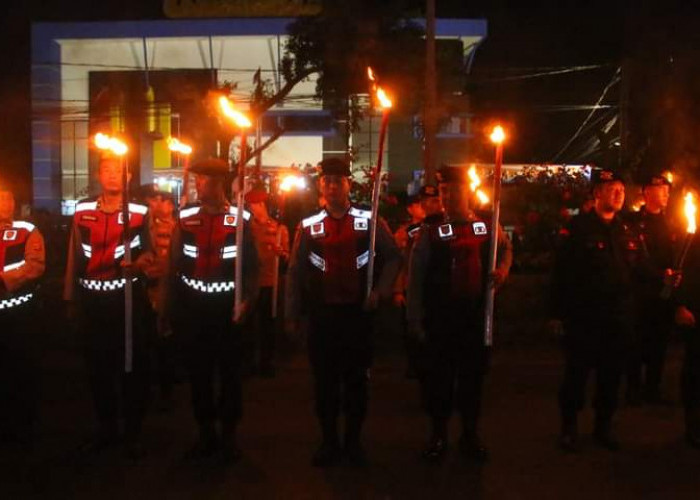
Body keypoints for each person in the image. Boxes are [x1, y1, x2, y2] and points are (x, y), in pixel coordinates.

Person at [285, 157, 401, 467]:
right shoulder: (309, 226)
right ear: (320, 186)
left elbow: (392, 257)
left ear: (348, 185)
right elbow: (295, 272)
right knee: (324, 384)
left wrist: (380, 290)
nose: (332, 187)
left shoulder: (369, 220)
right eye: (326, 182)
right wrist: (291, 313)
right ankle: (329, 441)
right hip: (322, 318)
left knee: (355, 383)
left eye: (338, 181)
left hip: (357, 316)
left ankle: (353, 441)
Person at [550, 169, 673, 452]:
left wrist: (664, 276)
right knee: (576, 375)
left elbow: (641, 267)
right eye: (611, 189)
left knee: (611, 376)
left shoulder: (627, 230)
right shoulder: (578, 229)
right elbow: (561, 275)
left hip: (617, 319)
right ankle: (569, 428)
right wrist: (556, 314)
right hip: (585, 317)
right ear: (597, 193)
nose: (618, 194)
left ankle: (602, 428)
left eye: (621, 190)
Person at [406, 165, 512, 464]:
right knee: (439, 381)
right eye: (444, 191)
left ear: (468, 192)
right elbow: (415, 278)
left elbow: (505, 250)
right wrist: (414, 318)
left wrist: (502, 271)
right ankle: (438, 435)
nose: (449, 196)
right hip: (441, 318)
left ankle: (469, 434)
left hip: (475, 318)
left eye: (455, 190)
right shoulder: (430, 230)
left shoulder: (487, 225)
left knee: (472, 380)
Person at [159, 158, 259, 463]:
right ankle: (206, 434)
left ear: (220, 184)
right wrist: (166, 309)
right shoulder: (186, 217)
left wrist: (247, 302)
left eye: (204, 180)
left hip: (227, 311)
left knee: (230, 375)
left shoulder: (241, 219)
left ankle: (229, 435)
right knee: (199, 375)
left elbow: (252, 268)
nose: (198, 185)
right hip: (194, 310)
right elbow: (173, 266)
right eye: (197, 180)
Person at [63, 154, 154, 459]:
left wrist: (140, 264)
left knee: (130, 367)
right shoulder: (83, 210)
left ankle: (133, 433)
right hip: (93, 301)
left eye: (118, 171)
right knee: (97, 369)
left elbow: (151, 254)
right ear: (99, 176)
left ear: (127, 177)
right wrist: (70, 298)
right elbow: (74, 257)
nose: (113, 175)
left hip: (126, 301)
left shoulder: (140, 212)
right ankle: (106, 429)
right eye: (107, 170)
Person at [0, 182, 45, 445]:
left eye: (8, 200)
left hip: (19, 316)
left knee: (21, 371)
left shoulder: (27, 231)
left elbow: (35, 266)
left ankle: (25, 426)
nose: (4, 205)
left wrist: (4, 279)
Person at [626, 173, 675, 405]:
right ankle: (633, 388)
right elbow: (634, 258)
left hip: (663, 295)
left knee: (659, 342)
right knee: (636, 343)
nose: (666, 193)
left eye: (667, 189)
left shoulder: (672, 222)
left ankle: (653, 388)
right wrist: (658, 274)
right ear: (647, 192)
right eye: (660, 189)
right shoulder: (634, 222)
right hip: (640, 294)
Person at [140, 185, 178, 411]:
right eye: (151, 200)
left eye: (159, 200)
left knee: (165, 342)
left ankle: (166, 389)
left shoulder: (174, 228)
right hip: (145, 291)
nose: (154, 204)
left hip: (165, 292)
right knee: (146, 341)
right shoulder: (142, 228)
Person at [245, 186, 289, 377]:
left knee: (267, 324)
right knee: (248, 325)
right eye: (250, 204)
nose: (253, 207)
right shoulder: (247, 229)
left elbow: (288, 256)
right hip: (252, 283)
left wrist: (282, 253)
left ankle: (267, 361)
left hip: (271, 282)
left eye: (255, 203)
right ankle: (247, 362)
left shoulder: (279, 229)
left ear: (263, 204)